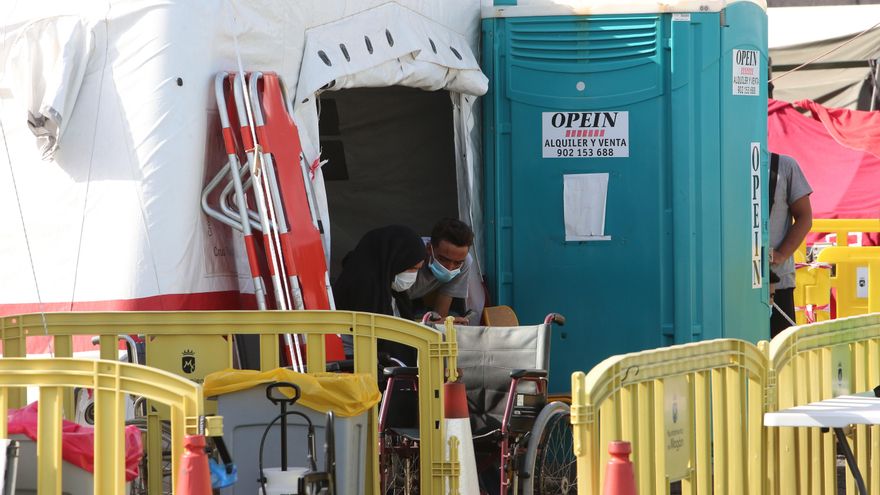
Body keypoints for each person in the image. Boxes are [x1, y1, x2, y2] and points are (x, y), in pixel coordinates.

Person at [332, 225, 426, 361]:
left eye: (418, 269)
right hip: (357, 364)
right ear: (393, 260)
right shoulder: (364, 285)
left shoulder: (387, 284)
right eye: (411, 268)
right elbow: (383, 340)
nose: (413, 275)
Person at [769, 152, 813, 337]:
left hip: (778, 282)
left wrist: (781, 254)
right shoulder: (724, 165)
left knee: (781, 356)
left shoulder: (784, 166)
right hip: (734, 282)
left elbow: (805, 217)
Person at [407, 218, 475, 324]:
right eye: (444, 259)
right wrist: (426, 323)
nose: (450, 268)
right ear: (429, 249)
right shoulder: (411, 253)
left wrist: (440, 324)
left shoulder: (465, 262)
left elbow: (440, 316)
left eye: (457, 263)